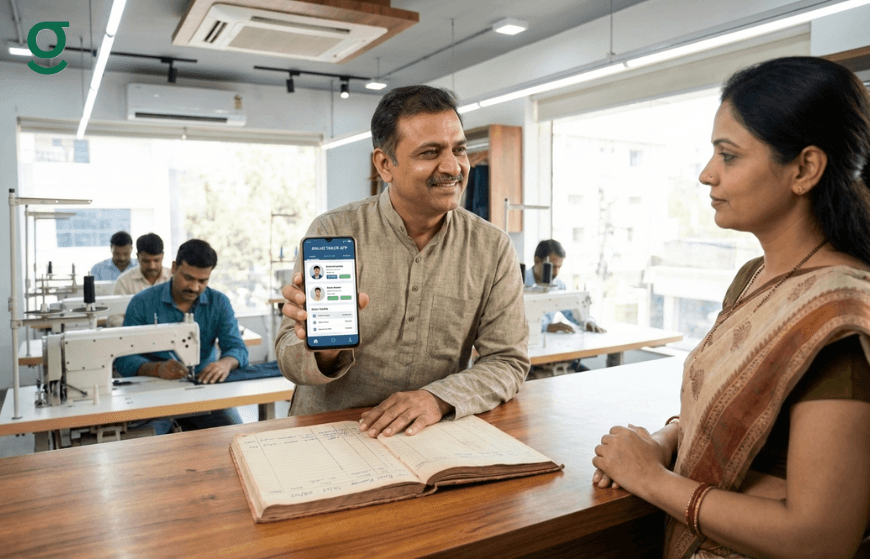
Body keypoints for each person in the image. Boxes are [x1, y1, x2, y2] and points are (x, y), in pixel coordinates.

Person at [591, 57, 870, 558]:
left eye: (729, 155)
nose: (706, 174)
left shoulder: (839, 314)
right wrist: (666, 439)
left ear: (805, 168)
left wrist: (651, 479)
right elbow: (727, 423)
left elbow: (820, 538)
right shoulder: (753, 278)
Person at [275, 85, 529, 439]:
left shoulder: (492, 248)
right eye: (430, 152)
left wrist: (437, 399)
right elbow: (288, 354)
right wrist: (326, 351)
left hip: (426, 436)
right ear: (384, 164)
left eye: (459, 149)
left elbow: (507, 362)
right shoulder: (333, 231)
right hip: (332, 433)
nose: (453, 166)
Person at [115, 239, 248, 430]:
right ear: (174, 267)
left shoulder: (219, 303)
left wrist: (224, 363)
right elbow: (123, 357)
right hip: (152, 390)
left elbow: (237, 348)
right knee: (151, 445)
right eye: (188, 278)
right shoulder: (142, 303)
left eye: (203, 281)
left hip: (203, 390)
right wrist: (155, 368)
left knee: (234, 435)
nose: (194, 287)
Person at [525, 239, 581, 333]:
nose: (556, 272)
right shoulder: (519, 283)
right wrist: (546, 326)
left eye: (559, 267)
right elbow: (513, 319)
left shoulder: (559, 285)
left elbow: (571, 312)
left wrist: (587, 321)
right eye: (552, 267)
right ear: (537, 260)